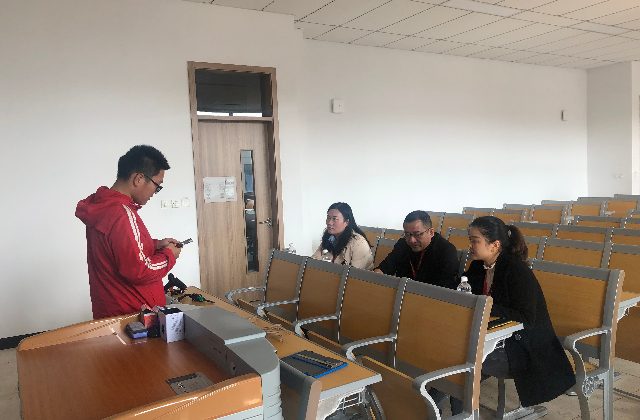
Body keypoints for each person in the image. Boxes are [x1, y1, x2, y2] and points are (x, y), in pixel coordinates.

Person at [460, 216, 575, 410]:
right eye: (470, 239)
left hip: (525, 346)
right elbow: (466, 293)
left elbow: (526, 318)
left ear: (495, 245)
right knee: (454, 357)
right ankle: (456, 411)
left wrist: (484, 306)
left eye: (475, 240)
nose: (470, 245)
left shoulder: (516, 271)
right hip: (495, 335)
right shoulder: (478, 265)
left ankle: (459, 411)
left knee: (461, 361)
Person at [76, 145, 182, 319]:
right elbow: (140, 270)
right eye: (157, 186)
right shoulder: (122, 214)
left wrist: (155, 245)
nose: (155, 193)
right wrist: (169, 254)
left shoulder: (103, 206)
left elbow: (117, 249)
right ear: (139, 179)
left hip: (111, 312)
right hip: (131, 319)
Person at [374, 210, 458, 289]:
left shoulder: (446, 251)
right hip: (401, 294)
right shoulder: (403, 244)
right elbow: (384, 268)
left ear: (431, 232)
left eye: (417, 234)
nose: (412, 240)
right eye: (407, 234)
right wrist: (376, 276)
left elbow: (444, 288)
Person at [310, 202, 374, 270]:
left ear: (347, 222)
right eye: (328, 218)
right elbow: (313, 263)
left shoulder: (359, 243)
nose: (329, 222)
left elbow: (353, 274)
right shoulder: (329, 238)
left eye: (335, 219)